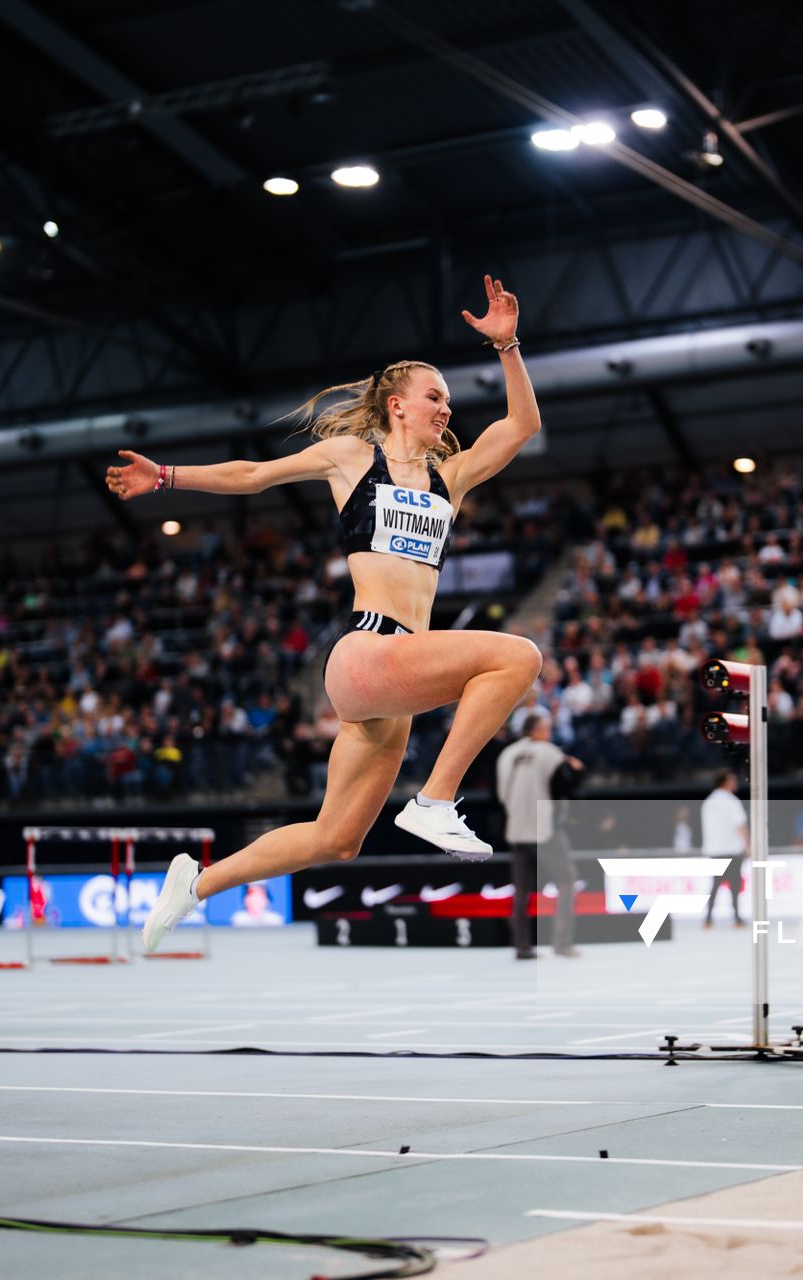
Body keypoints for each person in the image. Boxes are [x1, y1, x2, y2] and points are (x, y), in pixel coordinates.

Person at [131, 276, 545, 953]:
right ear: (396, 404)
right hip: (367, 652)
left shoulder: (453, 476)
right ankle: (436, 801)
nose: (446, 408)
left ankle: (194, 886)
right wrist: (169, 477)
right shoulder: (354, 457)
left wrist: (508, 347)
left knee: (338, 839)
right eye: (433, 396)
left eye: (447, 398)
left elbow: (523, 424)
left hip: (395, 678)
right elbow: (251, 476)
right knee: (517, 655)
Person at [495, 711, 584, 959]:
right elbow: (564, 788)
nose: (550, 733)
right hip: (544, 828)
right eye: (548, 728)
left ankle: (522, 946)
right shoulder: (550, 753)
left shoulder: (507, 754)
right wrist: (577, 772)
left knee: (522, 889)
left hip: (516, 828)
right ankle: (562, 943)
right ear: (538, 730)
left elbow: (500, 795)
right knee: (567, 881)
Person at [700, 769, 747, 928]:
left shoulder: (708, 802)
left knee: (715, 884)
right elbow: (739, 825)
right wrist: (748, 844)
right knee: (734, 885)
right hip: (731, 849)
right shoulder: (731, 801)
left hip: (714, 850)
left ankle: (708, 919)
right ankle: (737, 918)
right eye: (732, 780)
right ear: (725, 782)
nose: (735, 783)